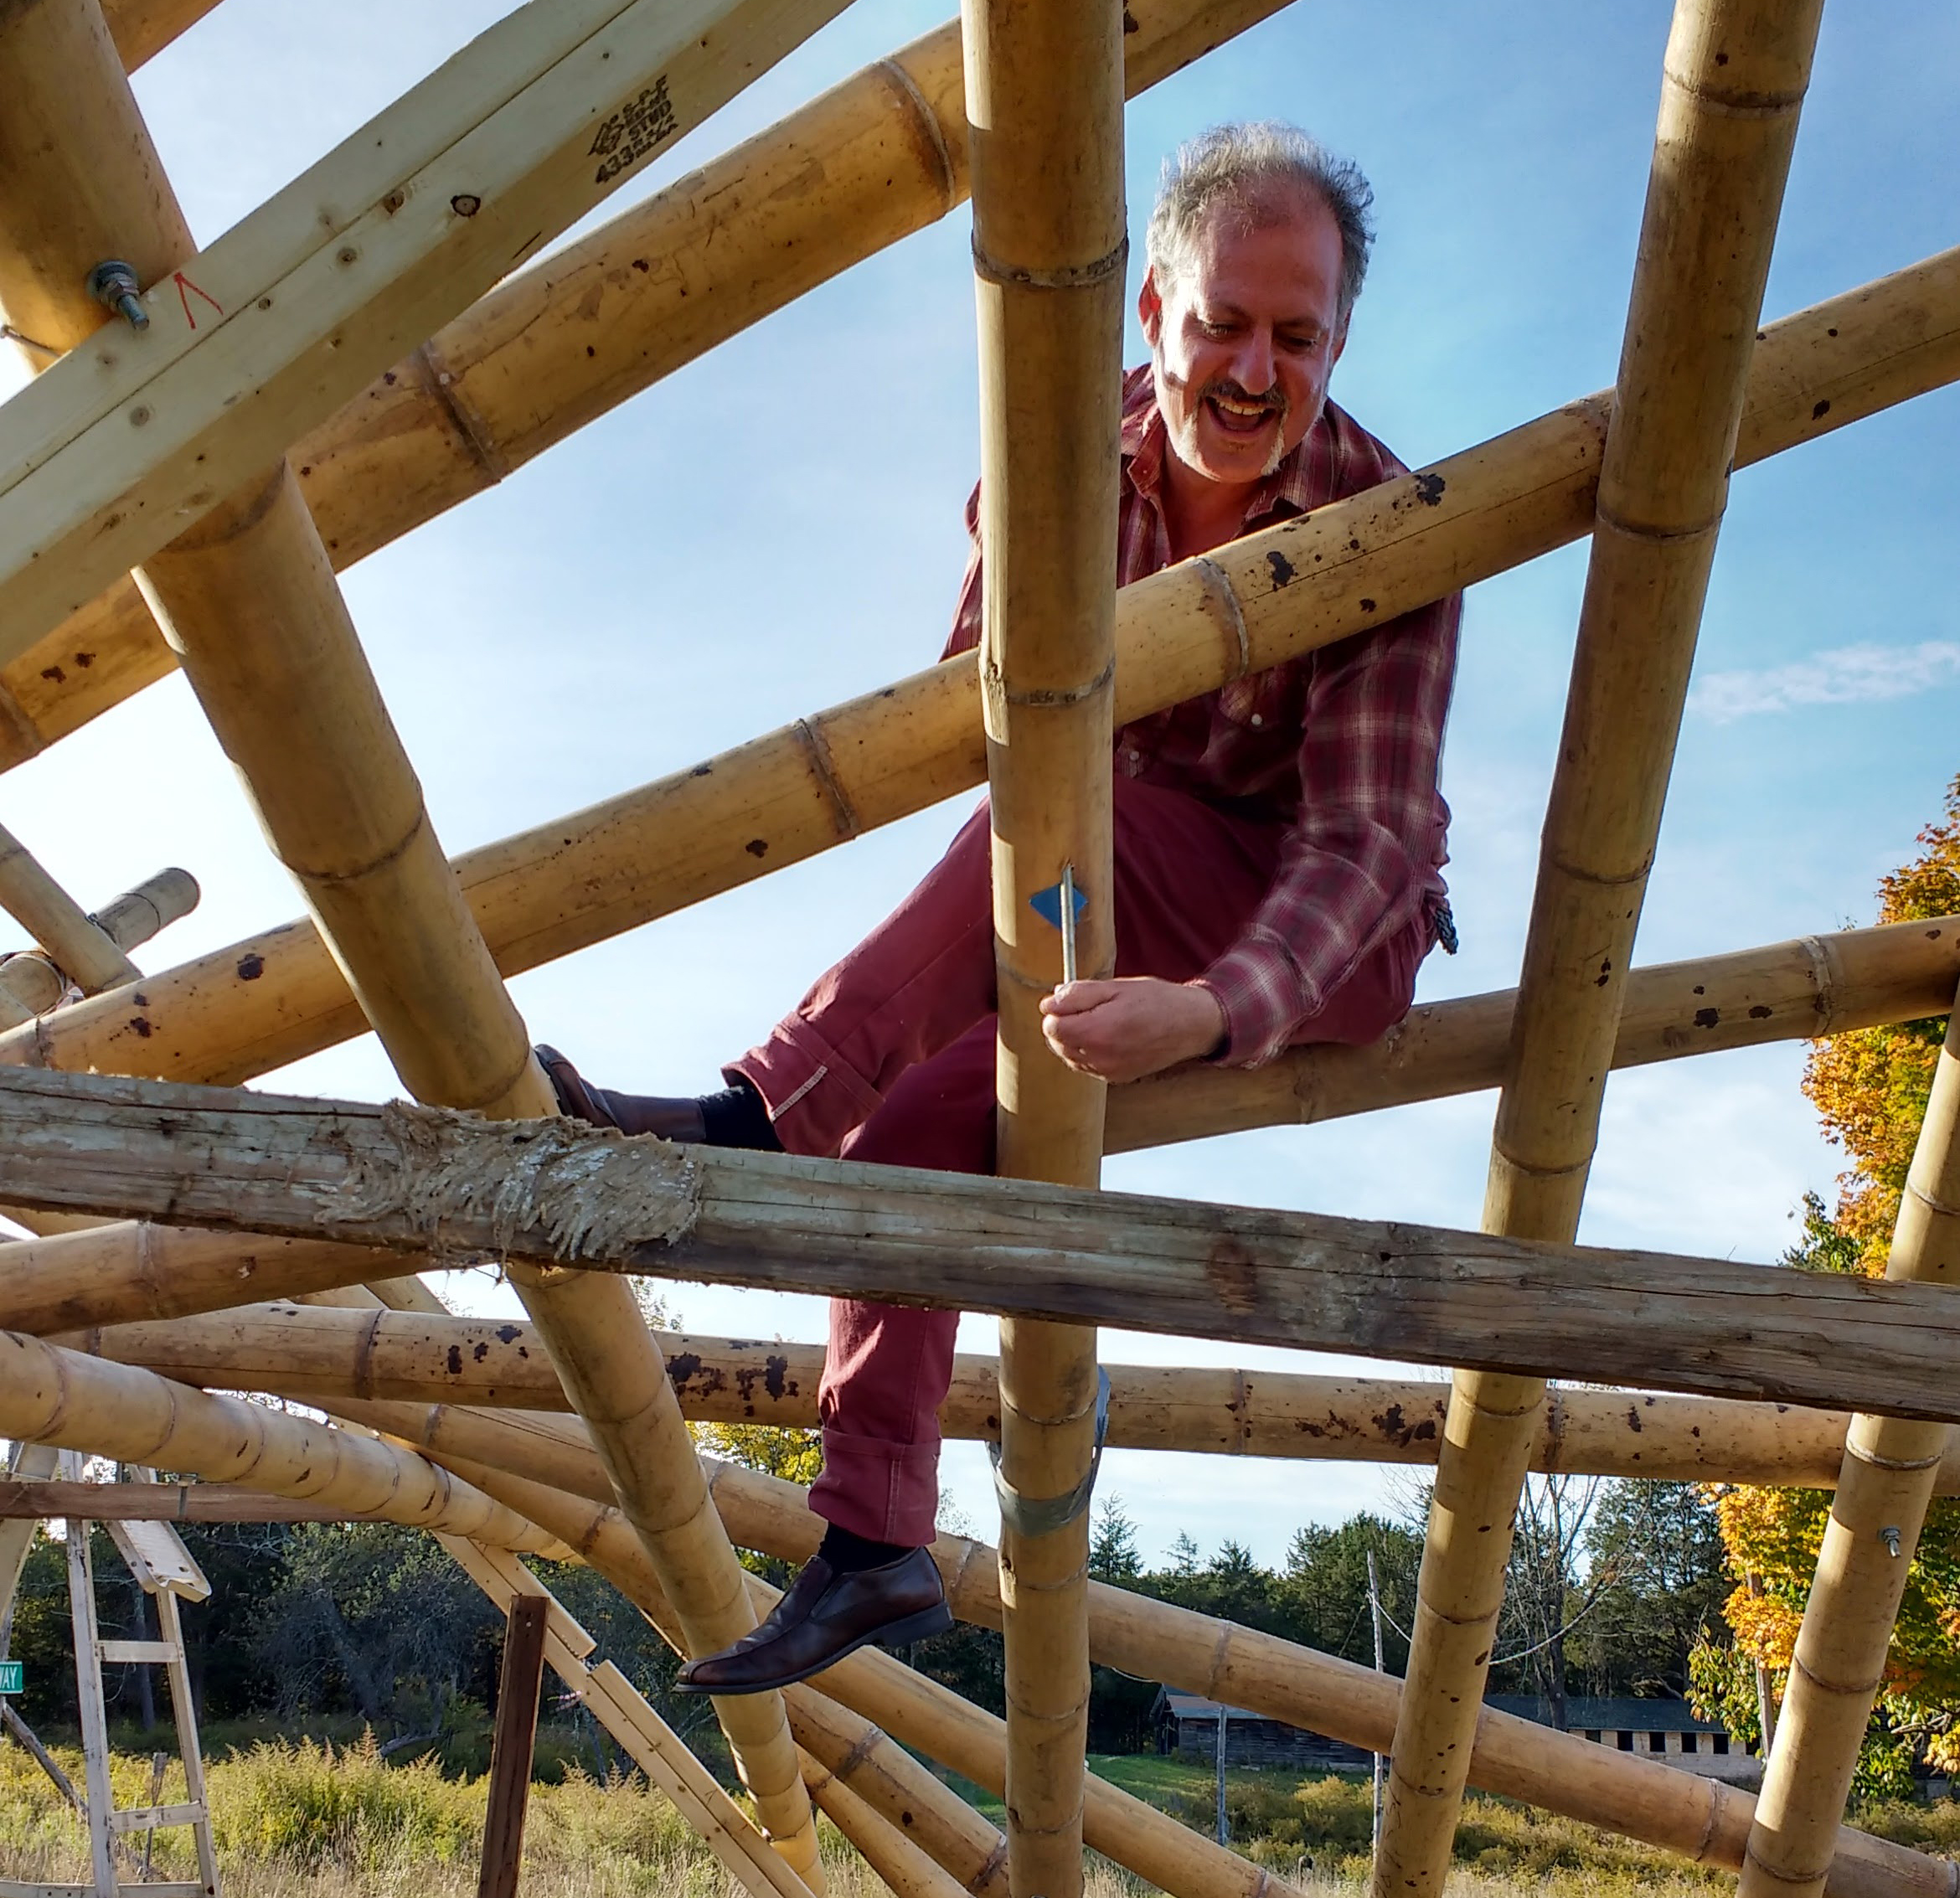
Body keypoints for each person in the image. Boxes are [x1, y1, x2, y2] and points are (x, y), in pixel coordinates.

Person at [536, 121, 1462, 1694]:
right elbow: (995, 707)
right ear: (1154, 309)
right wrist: (1017, 586)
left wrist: (1218, 1005)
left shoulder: (1388, 527)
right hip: (1088, 888)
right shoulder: (1061, 465)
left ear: (1340, 341)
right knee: (927, 1131)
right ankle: (874, 1538)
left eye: (1295, 340)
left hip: (1307, 930)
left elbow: (1369, 835)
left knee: (1037, 836)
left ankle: (765, 1112)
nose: (1252, 372)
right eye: (1221, 324)